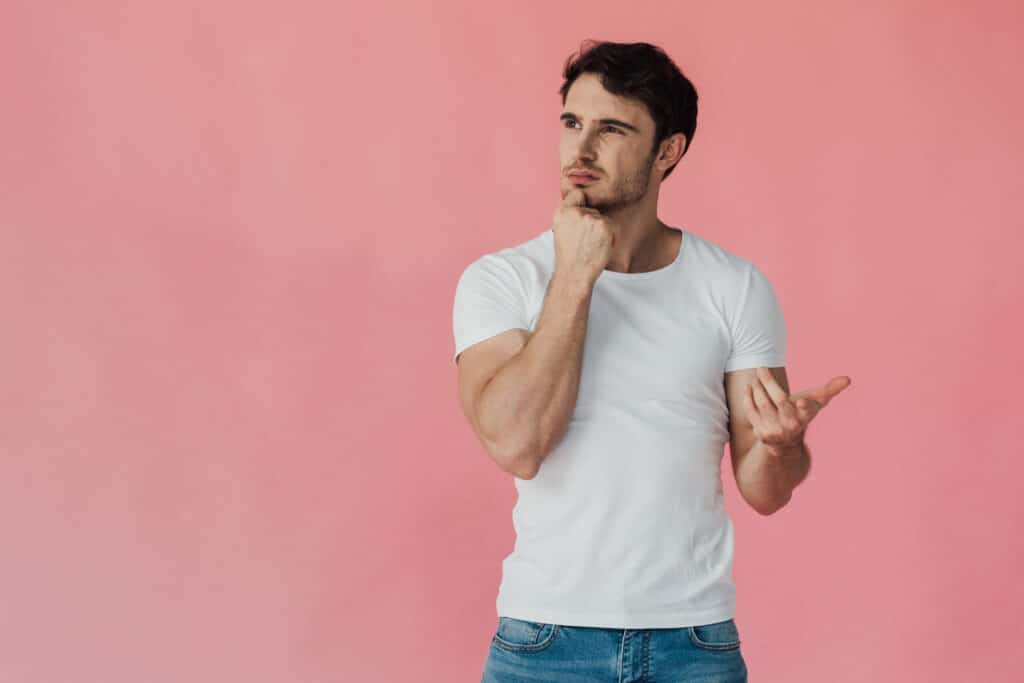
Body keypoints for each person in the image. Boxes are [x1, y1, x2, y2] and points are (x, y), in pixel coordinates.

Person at [452, 39, 851, 683]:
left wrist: (781, 447)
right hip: (545, 643)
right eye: (572, 123)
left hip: (693, 644)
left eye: (611, 129)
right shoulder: (503, 280)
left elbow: (764, 490)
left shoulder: (734, 287)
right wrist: (577, 273)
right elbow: (517, 443)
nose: (580, 151)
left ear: (668, 151)